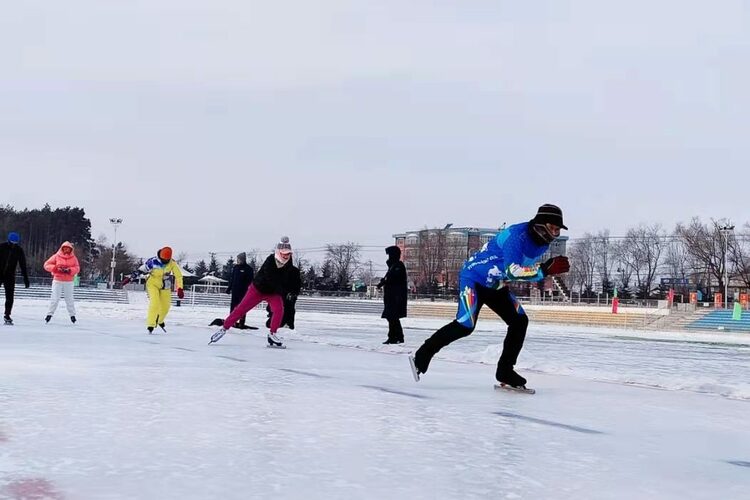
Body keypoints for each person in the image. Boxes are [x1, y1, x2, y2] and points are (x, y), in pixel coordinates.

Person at [409, 204, 570, 389]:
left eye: (558, 230)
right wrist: (543, 269)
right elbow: (513, 270)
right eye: (553, 228)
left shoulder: (542, 243)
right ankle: (421, 356)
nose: (555, 234)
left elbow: (511, 271)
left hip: (495, 283)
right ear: (541, 225)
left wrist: (544, 267)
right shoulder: (516, 236)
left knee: (519, 321)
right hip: (474, 279)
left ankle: (505, 371)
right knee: (465, 325)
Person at [210, 236, 294, 348]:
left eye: (288, 253)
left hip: (273, 292)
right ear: (278, 252)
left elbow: (286, 278)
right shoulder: (270, 260)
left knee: (279, 310)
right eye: (283, 253)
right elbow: (271, 278)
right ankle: (224, 328)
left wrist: (289, 290)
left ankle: (273, 334)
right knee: (241, 309)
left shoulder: (289, 261)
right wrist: (282, 289)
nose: (286, 255)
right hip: (258, 289)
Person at [122, 246, 184, 333]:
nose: (165, 262)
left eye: (167, 260)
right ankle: (150, 324)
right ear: (160, 257)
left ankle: (159, 320)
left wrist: (180, 288)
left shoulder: (172, 263)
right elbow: (140, 271)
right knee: (155, 303)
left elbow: (178, 276)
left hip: (165, 285)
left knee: (166, 306)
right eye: (164, 260)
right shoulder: (152, 262)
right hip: (152, 283)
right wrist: (130, 278)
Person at [43, 241, 81, 323]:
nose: (66, 250)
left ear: (71, 249)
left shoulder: (74, 258)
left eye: (68, 248)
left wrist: (70, 270)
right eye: (65, 248)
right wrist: (55, 268)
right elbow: (46, 265)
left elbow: (77, 268)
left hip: (69, 281)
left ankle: (72, 315)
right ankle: (49, 314)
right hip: (58, 280)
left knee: (69, 299)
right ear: (62, 248)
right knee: (55, 298)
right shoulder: (56, 256)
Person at [377, 245, 407, 344]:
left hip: (396, 297)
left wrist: (385, 282)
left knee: (393, 317)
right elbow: (389, 279)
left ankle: (396, 337)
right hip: (391, 297)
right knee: (391, 318)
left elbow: (394, 279)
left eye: (390, 255)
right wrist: (382, 283)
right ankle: (395, 337)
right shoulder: (393, 266)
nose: (388, 257)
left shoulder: (398, 266)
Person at [0, 232, 30, 325]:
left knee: (10, 297)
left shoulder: (19, 250)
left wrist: (25, 278)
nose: (13, 244)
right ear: (8, 240)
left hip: (10, 276)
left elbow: (22, 264)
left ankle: (7, 315)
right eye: (12, 242)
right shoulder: (1, 247)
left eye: (15, 243)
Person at [265, 255, 301, 330]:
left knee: (289, 309)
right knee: (277, 309)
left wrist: (294, 293)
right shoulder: (279, 270)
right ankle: (276, 322)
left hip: (289, 294)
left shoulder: (294, 271)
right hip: (279, 293)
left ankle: (288, 324)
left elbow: (297, 284)